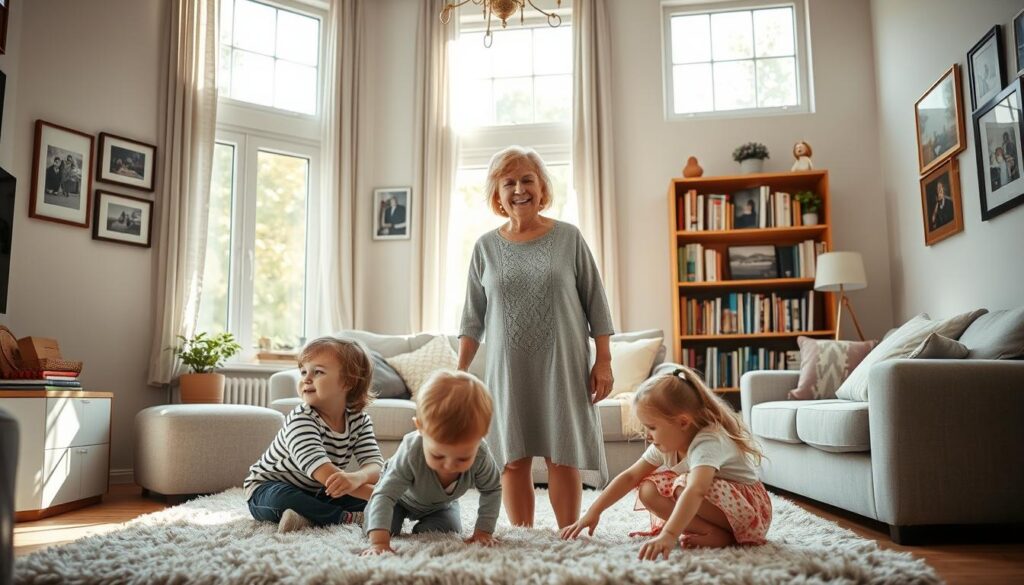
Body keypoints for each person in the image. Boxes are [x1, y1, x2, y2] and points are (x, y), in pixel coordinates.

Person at [458, 145, 615, 530]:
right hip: (507, 369)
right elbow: (471, 318)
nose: (518, 189)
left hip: (562, 363)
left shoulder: (569, 238)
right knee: (511, 458)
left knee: (563, 455)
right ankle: (525, 538)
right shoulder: (485, 247)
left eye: (527, 179)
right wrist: (458, 374)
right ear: (497, 193)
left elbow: (597, 303)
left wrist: (605, 360)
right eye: (507, 182)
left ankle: (569, 534)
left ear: (542, 187)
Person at [561, 368, 772, 559]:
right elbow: (630, 477)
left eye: (651, 427)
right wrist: (593, 512)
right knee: (647, 489)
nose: (647, 435)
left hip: (749, 512)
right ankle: (712, 532)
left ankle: (726, 534)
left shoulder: (708, 441)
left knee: (683, 486)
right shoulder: (667, 443)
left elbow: (697, 490)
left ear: (682, 422)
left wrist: (669, 534)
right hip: (718, 504)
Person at [244, 336, 384, 532]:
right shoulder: (301, 419)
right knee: (283, 499)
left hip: (319, 491)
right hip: (268, 488)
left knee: (352, 495)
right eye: (303, 372)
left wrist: (359, 477)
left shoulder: (359, 421)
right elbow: (325, 474)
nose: (306, 379)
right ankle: (343, 518)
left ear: (348, 381)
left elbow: (375, 465)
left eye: (317, 372)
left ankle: (308, 517)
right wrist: (381, 497)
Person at [361, 370, 502, 555]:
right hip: (399, 499)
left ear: (481, 437)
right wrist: (379, 542)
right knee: (383, 525)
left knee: (445, 530)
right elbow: (385, 495)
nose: (450, 465)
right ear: (419, 428)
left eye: (462, 458)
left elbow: (492, 490)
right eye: (438, 455)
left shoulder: (481, 455)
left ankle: (428, 521)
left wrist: (483, 531)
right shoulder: (412, 451)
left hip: (440, 505)